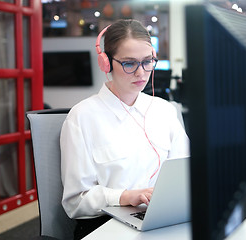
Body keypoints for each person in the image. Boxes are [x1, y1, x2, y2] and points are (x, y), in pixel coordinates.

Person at [60, 19, 190, 239]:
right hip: (105, 224)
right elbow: (76, 202)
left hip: (163, 219)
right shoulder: (82, 117)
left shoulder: (164, 111)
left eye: (148, 61)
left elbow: (186, 172)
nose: (141, 73)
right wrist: (125, 196)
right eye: (129, 64)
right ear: (106, 63)